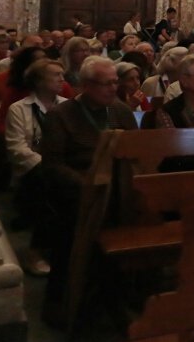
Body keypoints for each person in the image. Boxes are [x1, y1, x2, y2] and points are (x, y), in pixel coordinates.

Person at [38, 57, 138, 323]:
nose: (112, 89)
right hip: (78, 193)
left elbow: (136, 152)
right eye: (105, 84)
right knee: (73, 227)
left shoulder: (121, 112)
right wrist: (87, 185)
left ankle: (120, 295)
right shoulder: (61, 116)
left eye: (115, 82)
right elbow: (53, 165)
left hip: (118, 188)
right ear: (85, 85)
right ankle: (65, 301)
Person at [5, 59, 68, 276]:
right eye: (56, 75)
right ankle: (35, 251)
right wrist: (49, 165)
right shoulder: (19, 109)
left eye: (63, 74)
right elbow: (17, 148)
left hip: (62, 168)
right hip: (33, 171)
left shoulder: (67, 105)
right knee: (49, 185)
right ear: (39, 81)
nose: (62, 79)